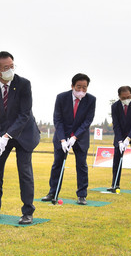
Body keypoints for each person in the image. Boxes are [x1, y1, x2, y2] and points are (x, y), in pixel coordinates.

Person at [0, 51, 41, 225]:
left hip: (25, 133)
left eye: (12, 66)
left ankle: (27, 212)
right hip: (1, 134)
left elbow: (24, 114)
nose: (10, 69)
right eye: (6, 67)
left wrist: (7, 136)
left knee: (24, 171)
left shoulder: (23, 84)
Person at [41, 73, 96, 205]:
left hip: (80, 137)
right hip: (62, 136)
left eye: (84, 88)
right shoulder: (61, 97)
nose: (81, 91)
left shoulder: (91, 100)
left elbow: (87, 121)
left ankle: (82, 195)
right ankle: (52, 192)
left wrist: (75, 137)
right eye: (78, 87)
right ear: (72, 86)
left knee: (81, 165)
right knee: (57, 164)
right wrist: (63, 140)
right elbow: (57, 119)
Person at [108, 86, 131, 194]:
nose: (127, 99)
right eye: (124, 97)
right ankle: (115, 184)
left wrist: (128, 138)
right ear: (119, 97)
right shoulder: (115, 106)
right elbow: (116, 124)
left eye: (129, 96)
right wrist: (120, 141)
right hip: (120, 135)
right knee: (117, 160)